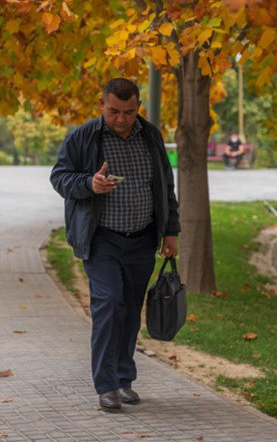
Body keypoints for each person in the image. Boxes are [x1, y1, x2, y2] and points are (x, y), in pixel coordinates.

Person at [49, 78, 180, 412]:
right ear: (101, 104)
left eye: (129, 112)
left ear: (138, 107)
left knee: (130, 311)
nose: (122, 119)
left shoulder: (150, 135)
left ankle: (124, 378)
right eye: (114, 111)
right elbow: (60, 178)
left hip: (142, 240)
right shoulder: (82, 138)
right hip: (102, 238)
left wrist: (170, 231)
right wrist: (88, 183)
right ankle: (106, 386)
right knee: (108, 306)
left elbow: (165, 185)